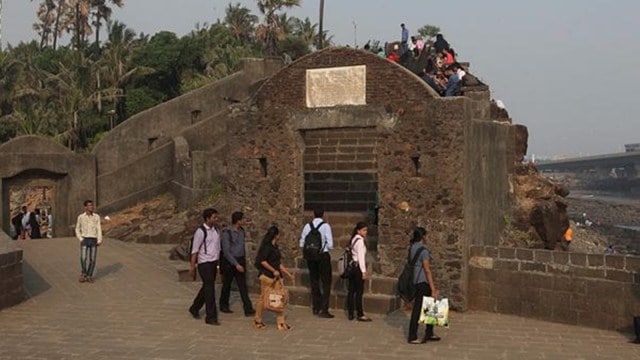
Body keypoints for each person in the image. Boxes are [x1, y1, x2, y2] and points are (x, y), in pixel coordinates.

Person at [254, 225, 294, 331]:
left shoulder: (275, 247)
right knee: (263, 298)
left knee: (278, 298)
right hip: (267, 276)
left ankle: (281, 322)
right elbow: (262, 261)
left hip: (276, 278)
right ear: (276, 235)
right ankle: (257, 319)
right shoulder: (267, 247)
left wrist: (287, 273)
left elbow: (278, 263)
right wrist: (273, 270)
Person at [407, 227, 441, 344]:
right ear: (423, 237)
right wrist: (433, 288)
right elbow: (427, 270)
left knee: (431, 305)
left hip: (415, 281)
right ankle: (412, 336)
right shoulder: (424, 250)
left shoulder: (412, 247)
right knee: (419, 308)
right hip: (423, 281)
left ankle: (429, 331)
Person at [188, 208, 222, 325]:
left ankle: (195, 307)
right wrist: (193, 266)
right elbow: (195, 250)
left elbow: (217, 248)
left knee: (207, 287)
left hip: (213, 262)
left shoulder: (216, 231)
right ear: (207, 218)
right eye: (214, 217)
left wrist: (218, 264)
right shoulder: (201, 232)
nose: (216, 219)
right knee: (210, 289)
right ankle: (211, 316)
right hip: (204, 263)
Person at [299, 208, 335, 318]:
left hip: (311, 256)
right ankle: (324, 309)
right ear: (323, 214)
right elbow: (330, 244)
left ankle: (316, 307)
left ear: (313, 214)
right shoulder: (325, 226)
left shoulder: (307, 226)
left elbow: (302, 242)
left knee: (314, 281)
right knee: (326, 282)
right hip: (322, 256)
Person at [219, 211, 255, 316]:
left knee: (242, 285)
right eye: (243, 219)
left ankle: (248, 308)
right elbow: (226, 251)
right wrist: (236, 264)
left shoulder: (242, 232)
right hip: (230, 262)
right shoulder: (227, 233)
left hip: (240, 259)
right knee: (227, 284)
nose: (244, 221)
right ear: (238, 220)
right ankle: (223, 304)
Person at [346, 222, 372, 322]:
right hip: (357, 268)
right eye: (364, 230)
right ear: (359, 231)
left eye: (366, 230)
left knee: (351, 291)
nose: (365, 232)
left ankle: (351, 313)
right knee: (359, 291)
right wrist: (364, 271)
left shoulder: (354, 239)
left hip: (352, 267)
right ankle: (360, 313)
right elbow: (361, 258)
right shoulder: (360, 241)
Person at [75, 200, 103, 283]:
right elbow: (77, 228)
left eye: (92, 205)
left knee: (93, 259)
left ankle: (89, 275)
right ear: (85, 207)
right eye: (89, 205)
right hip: (85, 239)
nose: (91, 207)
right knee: (83, 258)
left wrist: (99, 239)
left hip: (93, 239)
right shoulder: (81, 217)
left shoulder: (96, 217)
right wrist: (80, 238)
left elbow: (99, 228)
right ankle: (84, 273)